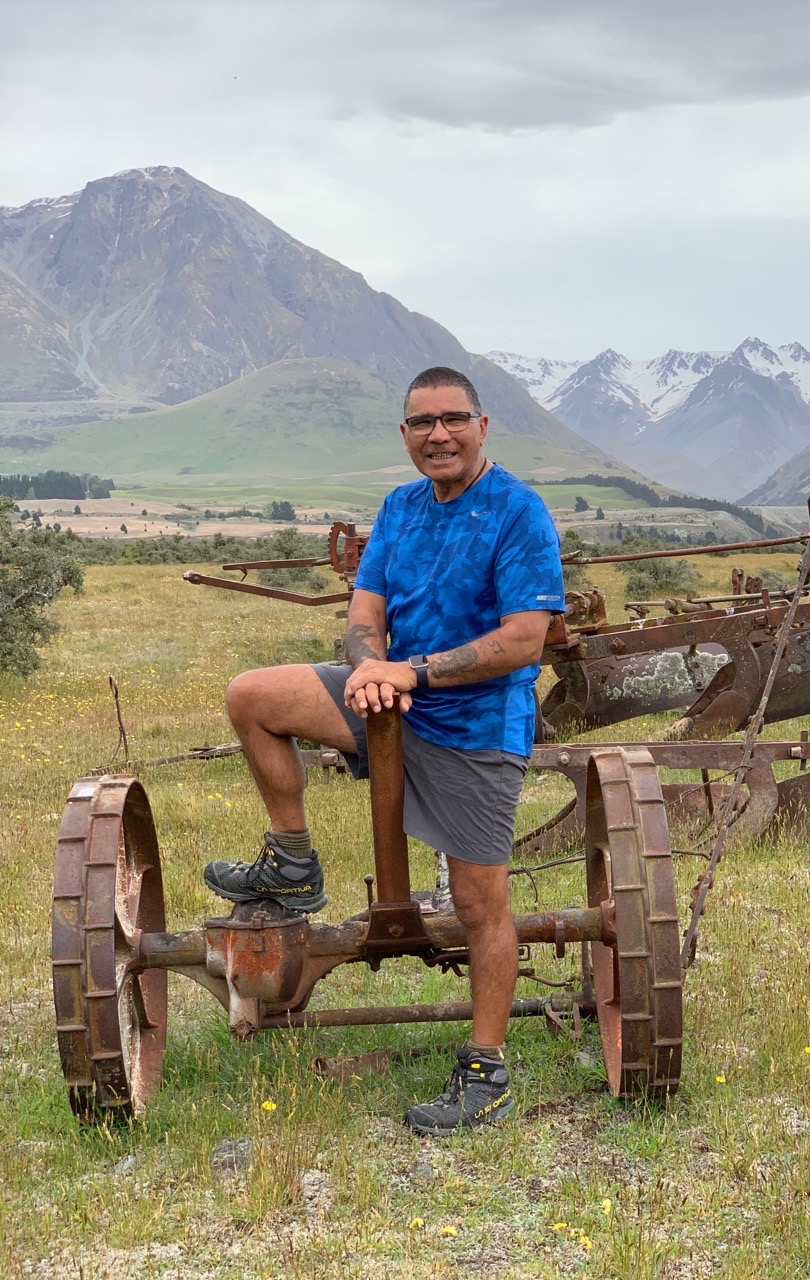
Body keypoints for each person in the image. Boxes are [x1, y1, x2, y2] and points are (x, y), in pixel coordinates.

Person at [203, 366, 565, 1136]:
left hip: (476, 727)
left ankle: (487, 1071)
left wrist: (412, 673)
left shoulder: (519, 512)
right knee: (253, 696)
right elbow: (364, 614)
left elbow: (523, 640)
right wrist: (371, 667)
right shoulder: (401, 508)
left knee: (480, 904)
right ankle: (292, 860)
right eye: (422, 423)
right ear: (405, 435)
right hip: (392, 703)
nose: (439, 434)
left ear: (482, 426)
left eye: (453, 419)